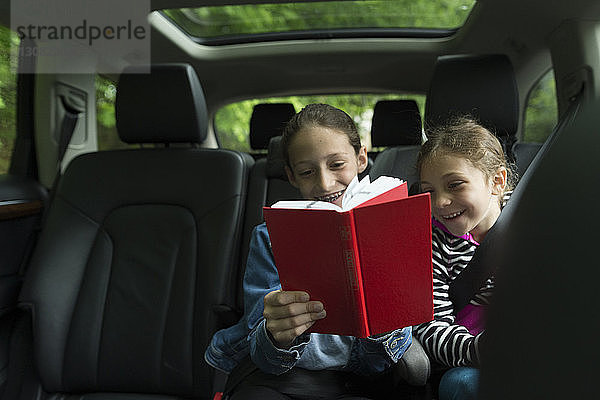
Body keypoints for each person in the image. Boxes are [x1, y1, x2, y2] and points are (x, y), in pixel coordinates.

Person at [205, 103, 413, 400]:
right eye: (307, 172)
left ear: (361, 158)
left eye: (337, 165)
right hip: (285, 377)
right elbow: (263, 353)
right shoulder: (269, 237)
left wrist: (385, 320)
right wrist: (277, 334)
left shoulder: (393, 228)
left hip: (359, 379)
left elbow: (378, 362)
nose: (325, 183)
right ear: (291, 176)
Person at [413, 117, 516, 400]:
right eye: (429, 191)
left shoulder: (529, 226)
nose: (440, 202)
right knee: (462, 385)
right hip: (467, 361)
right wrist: (481, 350)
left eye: (455, 185)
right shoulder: (432, 243)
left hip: (533, 351)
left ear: (497, 181)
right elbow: (431, 327)